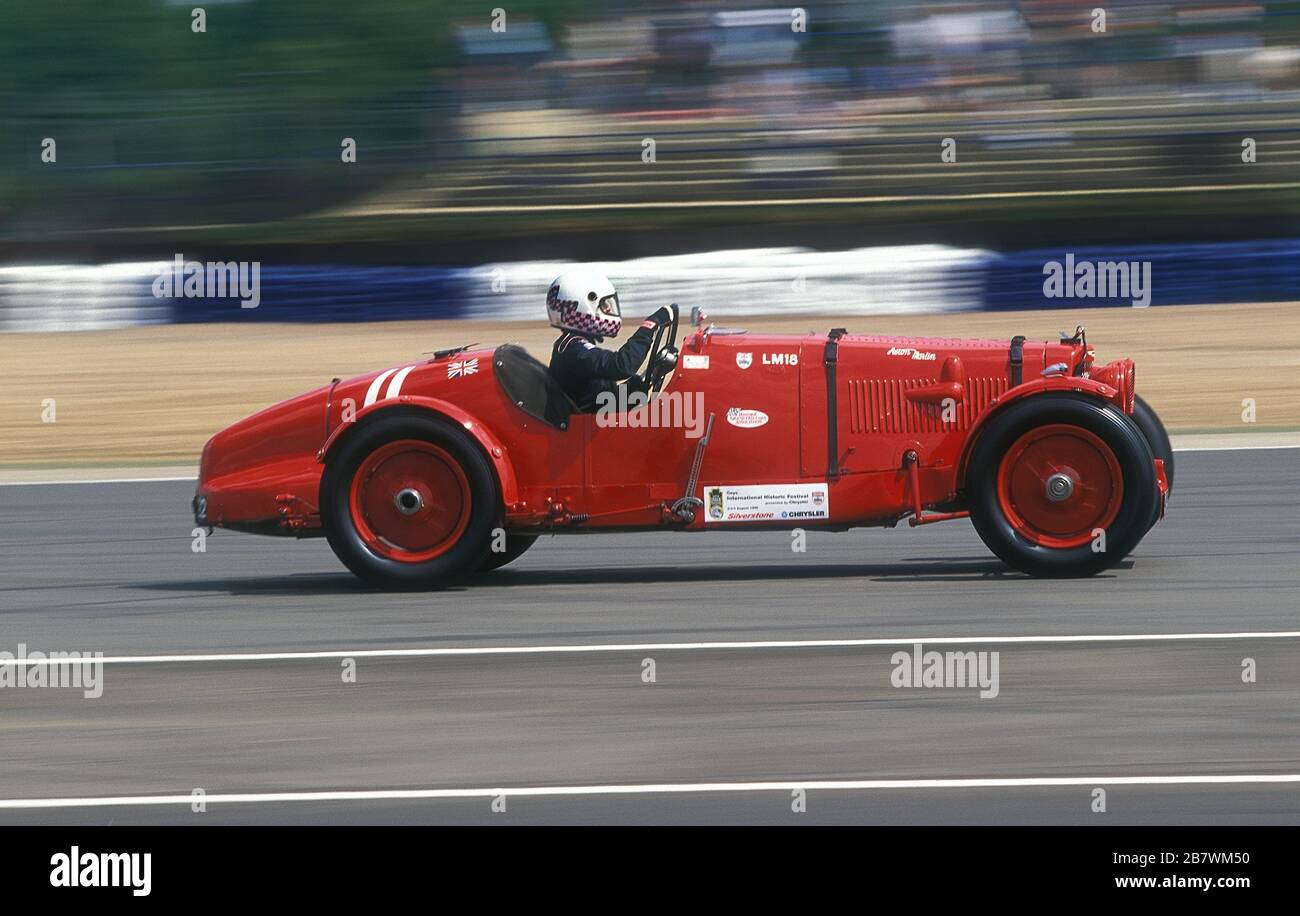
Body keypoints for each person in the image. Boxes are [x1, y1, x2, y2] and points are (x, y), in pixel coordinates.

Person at [546, 268, 672, 412]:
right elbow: (623, 365)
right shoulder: (574, 350)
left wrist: (642, 381)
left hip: (594, 423)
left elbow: (602, 399)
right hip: (585, 430)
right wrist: (649, 326)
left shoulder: (572, 346)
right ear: (582, 306)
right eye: (604, 305)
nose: (608, 308)